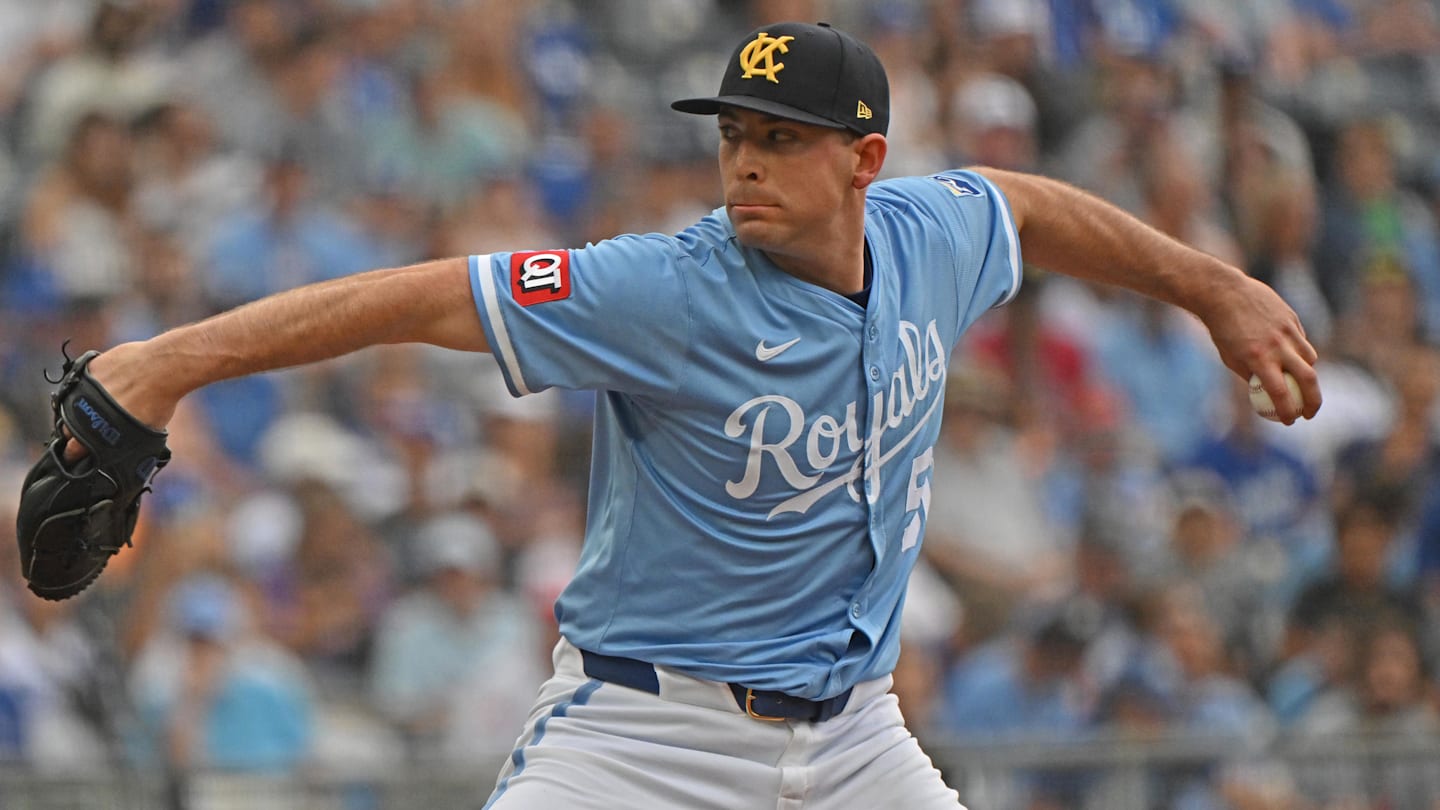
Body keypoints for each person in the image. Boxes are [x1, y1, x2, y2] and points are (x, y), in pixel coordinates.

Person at [61, 21, 1320, 809]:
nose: (747, 162)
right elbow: (425, 301)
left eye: (783, 137)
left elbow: (1030, 206)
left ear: (865, 161)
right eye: (735, 136)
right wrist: (168, 362)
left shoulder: (931, 234)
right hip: (640, 736)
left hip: (857, 739)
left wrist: (1214, 285)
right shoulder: (664, 284)